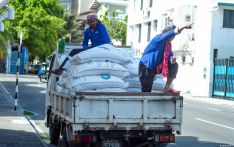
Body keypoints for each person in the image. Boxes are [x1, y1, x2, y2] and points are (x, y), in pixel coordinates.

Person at [139, 23, 193, 94]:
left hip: (156, 67)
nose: (173, 38)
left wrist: (172, 60)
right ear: (167, 33)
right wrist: (183, 26)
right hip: (146, 66)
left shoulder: (168, 45)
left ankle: (167, 87)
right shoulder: (159, 38)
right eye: (172, 36)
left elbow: (170, 57)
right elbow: (172, 33)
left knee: (174, 65)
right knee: (146, 90)